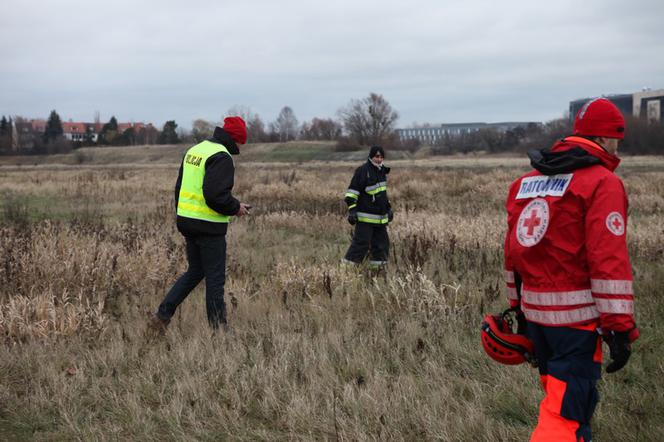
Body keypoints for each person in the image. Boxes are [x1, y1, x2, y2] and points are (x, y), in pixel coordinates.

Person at [503, 98, 639, 441]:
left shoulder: (524, 184)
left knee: (561, 403)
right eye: (617, 139)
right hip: (575, 325)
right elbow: (607, 260)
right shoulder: (602, 183)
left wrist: (518, 309)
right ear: (606, 139)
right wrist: (619, 328)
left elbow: (513, 254)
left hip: (536, 321)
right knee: (566, 416)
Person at [149, 116, 251, 332]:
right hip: (208, 227)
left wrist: (183, 215)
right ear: (236, 139)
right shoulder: (221, 157)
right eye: (241, 142)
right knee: (215, 279)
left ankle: (162, 316)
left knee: (195, 271)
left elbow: (179, 188)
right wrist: (236, 208)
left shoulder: (196, 150)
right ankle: (219, 330)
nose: (241, 147)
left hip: (188, 222)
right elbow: (215, 196)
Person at [342, 145, 393, 269]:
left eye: (381, 157)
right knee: (361, 244)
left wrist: (388, 208)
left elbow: (382, 194)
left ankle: (377, 272)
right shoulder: (363, 171)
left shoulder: (382, 171)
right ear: (371, 156)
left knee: (381, 245)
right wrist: (352, 210)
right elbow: (351, 193)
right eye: (377, 156)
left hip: (380, 219)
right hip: (365, 219)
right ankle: (346, 272)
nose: (379, 159)